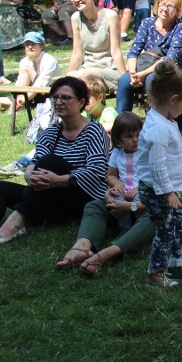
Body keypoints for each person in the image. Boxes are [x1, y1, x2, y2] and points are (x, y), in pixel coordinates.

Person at [0, 76, 109, 245]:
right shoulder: (51, 132)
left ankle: (15, 222)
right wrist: (29, 173)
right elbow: (35, 161)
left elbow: (97, 170)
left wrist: (59, 180)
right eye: (55, 97)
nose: (58, 102)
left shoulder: (93, 130)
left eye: (65, 97)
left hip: (82, 197)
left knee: (51, 162)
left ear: (81, 102)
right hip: (50, 195)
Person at [53, 112, 153, 276]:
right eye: (130, 136)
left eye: (138, 135)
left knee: (151, 216)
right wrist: (115, 185)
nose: (136, 139)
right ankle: (83, 246)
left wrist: (134, 199)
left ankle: (111, 250)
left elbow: (154, 179)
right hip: (124, 193)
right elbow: (110, 175)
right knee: (94, 206)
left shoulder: (146, 153)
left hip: (142, 198)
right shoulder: (117, 153)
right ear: (119, 139)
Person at [136, 61, 182, 288]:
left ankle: (177, 264)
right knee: (165, 231)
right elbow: (157, 165)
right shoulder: (158, 128)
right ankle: (156, 273)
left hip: (167, 189)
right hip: (156, 190)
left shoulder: (165, 120)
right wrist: (168, 192)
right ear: (174, 99)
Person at [116, 0, 182, 113]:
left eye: (170, 6)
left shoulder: (179, 27)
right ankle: (122, 121)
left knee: (153, 79)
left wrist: (142, 74)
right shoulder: (147, 23)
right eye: (162, 4)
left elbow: (169, 59)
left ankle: (154, 119)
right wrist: (133, 73)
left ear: (178, 10)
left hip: (173, 72)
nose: (165, 9)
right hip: (144, 69)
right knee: (124, 79)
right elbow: (134, 51)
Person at [0, 32, 60, 120]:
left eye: (33, 44)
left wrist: (22, 100)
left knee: (26, 69)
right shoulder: (25, 61)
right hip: (29, 95)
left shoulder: (49, 61)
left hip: (48, 95)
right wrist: (17, 98)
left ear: (41, 46)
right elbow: (20, 82)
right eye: (27, 45)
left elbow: (40, 85)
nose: (29, 47)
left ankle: (16, 108)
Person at [67, 0, 126, 92]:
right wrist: (68, 78)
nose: (77, 0)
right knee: (74, 77)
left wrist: (125, 79)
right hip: (85, 71)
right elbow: (77, 53)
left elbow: (116, 51)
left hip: (108, 70)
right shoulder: (75, 18)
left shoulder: (110, 16)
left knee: (88, 74)